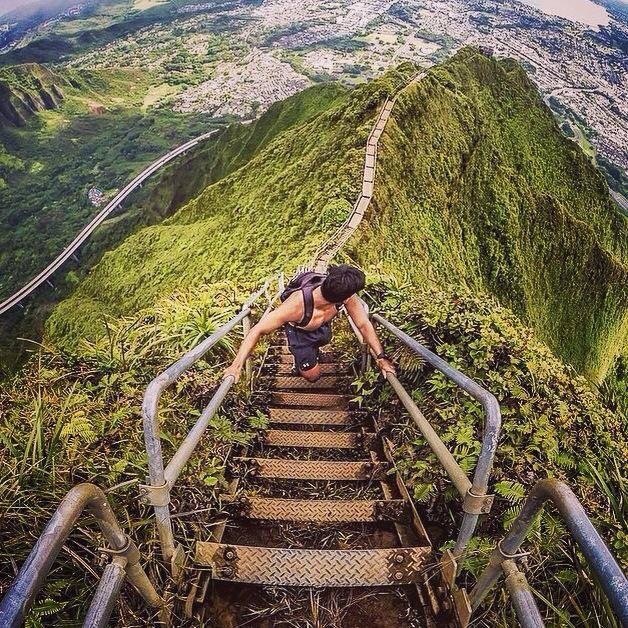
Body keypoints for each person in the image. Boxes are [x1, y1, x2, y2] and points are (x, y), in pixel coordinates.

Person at [223, 265, 396, 382]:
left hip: (321, 328)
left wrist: (381, 357)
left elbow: (363, 324)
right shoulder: (295, 305)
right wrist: (235, 366)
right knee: (313, 377)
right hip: (299, 332)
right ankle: (300, 361)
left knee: (324, 339)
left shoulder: (346, 298)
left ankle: (313, 351)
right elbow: (257, 330)